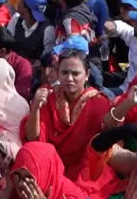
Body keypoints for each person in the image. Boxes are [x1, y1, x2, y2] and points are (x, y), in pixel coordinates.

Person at [22, 44, 109, 180]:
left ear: (87, 75)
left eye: (75, 73)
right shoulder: (48, 97)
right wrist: (36, 108)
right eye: (64, 73)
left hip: (85, 169)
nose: (69, 79)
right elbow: (33, 139)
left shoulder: (98, 103)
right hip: (51, 164)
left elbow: (101, 149)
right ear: (57, 74)